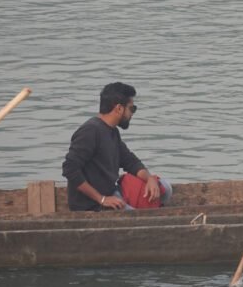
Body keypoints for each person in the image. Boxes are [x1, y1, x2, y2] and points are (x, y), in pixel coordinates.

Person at [61, 82, 172, 212]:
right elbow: (70, 169)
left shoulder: (112, 131)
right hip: (93, 204)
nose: (132, 113)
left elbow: (131, 162)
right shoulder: (90, 131)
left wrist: (150, 179)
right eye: (132, 108)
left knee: (165, 188)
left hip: (112, 192)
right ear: (119, 109)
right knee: (137, 218)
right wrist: (102, 199)